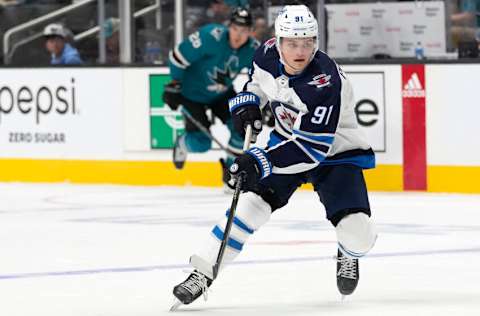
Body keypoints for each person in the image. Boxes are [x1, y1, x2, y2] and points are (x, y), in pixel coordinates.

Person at [171, 5, 377, 307]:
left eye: (307, 42)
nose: (300, 51)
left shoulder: (325, 82)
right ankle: (203, 272)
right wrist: (249, 103)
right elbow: (256, 83)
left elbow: (310, 149)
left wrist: (258, 161)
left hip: (335, 154)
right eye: (292, 43)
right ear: (279, 42)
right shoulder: (266, 53)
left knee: (356, 232)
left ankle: (348, 250)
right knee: (249, 207)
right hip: (287, 143)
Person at [163, 7, 259, 188]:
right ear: (229, 26)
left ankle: (232, 173)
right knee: (201, 144)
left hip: (222, 94)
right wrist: (175, 84)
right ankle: (182, 143)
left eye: (244, 31)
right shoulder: (210, 37)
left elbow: (263, 77)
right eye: (235, 29)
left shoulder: (252, 49)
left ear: (250, 32)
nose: (239, 35)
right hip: (191, 95)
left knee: (243, 128)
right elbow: (178, 56)